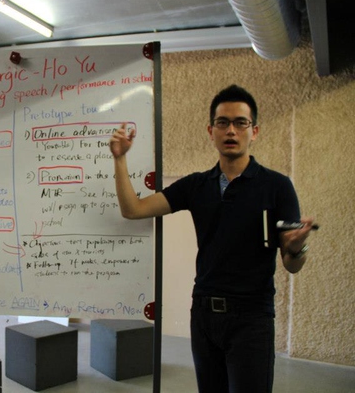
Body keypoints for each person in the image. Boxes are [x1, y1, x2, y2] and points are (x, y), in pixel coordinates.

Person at [109, 85, 315, 393]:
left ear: (254, 131)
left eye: (240, 123)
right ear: (211, 131)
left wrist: (297, 248)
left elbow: (292, 263)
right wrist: (120, 159)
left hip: (252, 317)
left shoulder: (277, 186)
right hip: (204, 314)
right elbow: (133, 209)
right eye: (222, 122)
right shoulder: (196, 185)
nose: (231, 130)